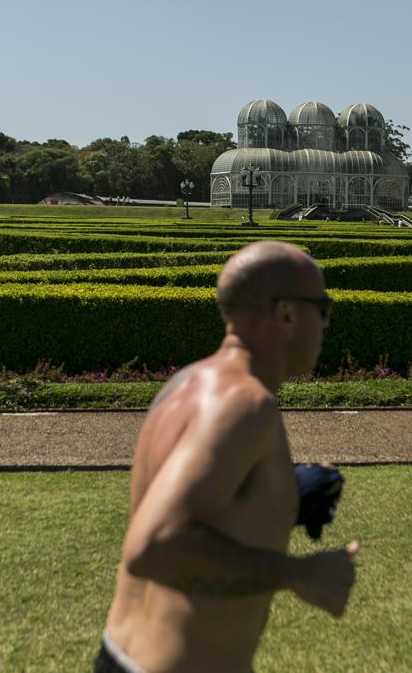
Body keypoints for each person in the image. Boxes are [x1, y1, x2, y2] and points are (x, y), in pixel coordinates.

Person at [98, 241, 359, 673]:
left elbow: (191, 501)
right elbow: (153, 546)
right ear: (288, 314)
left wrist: (281, 496)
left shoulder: (185, 385)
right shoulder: (244, 404)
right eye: (323, 308)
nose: (326, 324)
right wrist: (300, 574)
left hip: (121, 653)